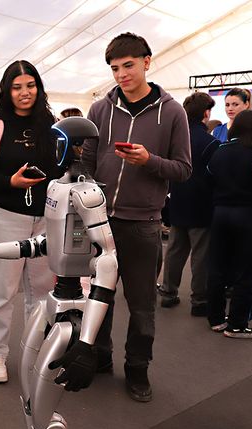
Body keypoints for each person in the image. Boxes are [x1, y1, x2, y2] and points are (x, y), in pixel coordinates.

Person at [81, 32, 191, 402]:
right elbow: (88, 162)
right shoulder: (99, 109)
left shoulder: (172, 111)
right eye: (114, 68)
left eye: (128, 65)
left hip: (143, 224)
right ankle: (99, 356)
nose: (121, 74)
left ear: (147, 61)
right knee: (100, 297)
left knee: (142, 305)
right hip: (99, 222)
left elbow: (183, 169)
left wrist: (149, 161)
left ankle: (137, 368)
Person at [0, 60, 59, 384]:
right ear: (7, 90)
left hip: (45, 218)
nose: (24, 93)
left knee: (43, 289)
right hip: (6, 216)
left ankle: (37, 348)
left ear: (38, 87)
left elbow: (60, 169)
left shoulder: (50, 124)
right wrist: (11, 182)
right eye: (17, 87)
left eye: (30, 85)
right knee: (2, 289)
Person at [205, 110, 252, 338]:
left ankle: (216, 319)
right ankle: (237, 324)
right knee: (247, 270)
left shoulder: (219, 150)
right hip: (250, 216)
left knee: (217, 267)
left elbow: (208, 179)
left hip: (220, 214)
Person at [159, 92, 220, 316]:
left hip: (177, 201)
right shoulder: (212, 143)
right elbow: (216, 176)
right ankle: (199, 300)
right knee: (201, 255)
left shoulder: (175, 139)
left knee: (175, 251)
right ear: (206, 113)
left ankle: (168, 292)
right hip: (203, 204)